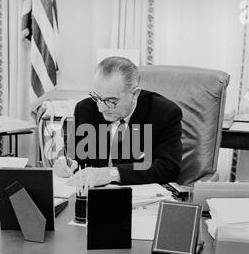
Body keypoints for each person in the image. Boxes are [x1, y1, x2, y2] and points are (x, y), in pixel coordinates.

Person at [53, 56, 182, 186]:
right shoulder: (85, 109)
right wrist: (64, 161)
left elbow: (169, 168)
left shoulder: (164, 113)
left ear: (134, 94)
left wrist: (113, 173)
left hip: (137, 196)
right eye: (97, 97)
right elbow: (71, 153)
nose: (101, 108)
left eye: (111, 101)